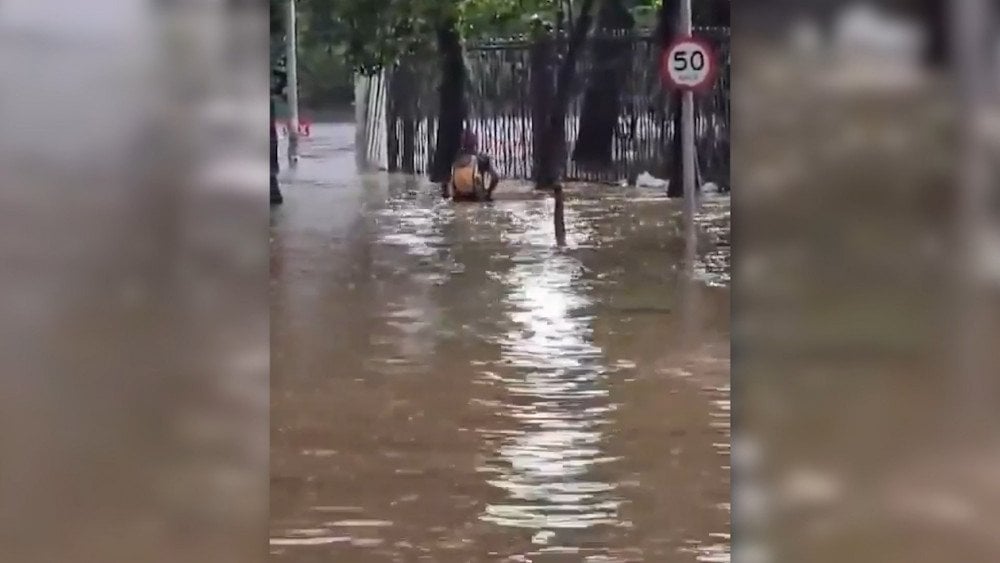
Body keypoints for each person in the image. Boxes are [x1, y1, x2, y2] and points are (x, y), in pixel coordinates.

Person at [445, 129, 500, 202]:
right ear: (475, 143)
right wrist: (488, 193)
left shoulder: (453, 160)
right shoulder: (482, 159)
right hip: (476, 199)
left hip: (458, 200)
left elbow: (445, 182)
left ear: (461, 143)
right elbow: (495, 178)